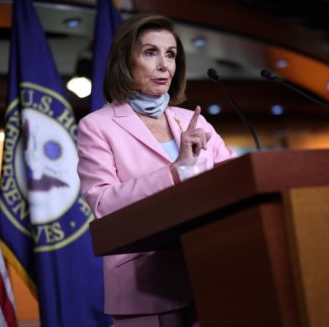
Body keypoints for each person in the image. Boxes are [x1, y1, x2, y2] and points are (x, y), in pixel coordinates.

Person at [76, 13, 237, 326]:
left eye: (171, 54)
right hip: (143, 285)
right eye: (151, 52)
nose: (165, 65)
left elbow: (233, 179)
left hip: (209, 270)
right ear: (125, 60)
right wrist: (175, 171)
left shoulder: (194, 120)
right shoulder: (97, 126)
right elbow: (102, 203)